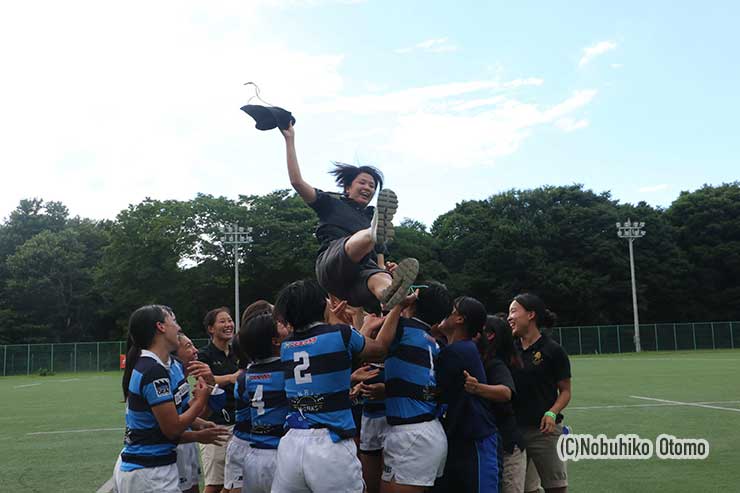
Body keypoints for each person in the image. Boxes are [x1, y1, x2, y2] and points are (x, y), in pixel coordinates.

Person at [271, 279, 410, 493]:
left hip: (291, 444)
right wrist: (398, 307)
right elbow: (380, 348)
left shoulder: (287, 346)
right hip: (330, 444)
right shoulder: (341, 334)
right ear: (320, 305)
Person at [279, 123, 419, 311]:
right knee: (358, 241)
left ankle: (388, 295)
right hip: (332, 267)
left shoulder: (371, 216)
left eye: (372, 186)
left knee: (380, 277)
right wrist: (290, 139)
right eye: (363, 182)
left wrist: (387, 273)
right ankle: (371, 234)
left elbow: (379, 261)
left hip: (356, 285)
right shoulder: (330, 202)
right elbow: (297, 181)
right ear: (347, 187)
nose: (368, 188)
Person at [114, 305, 209, 493]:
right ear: (161, 327)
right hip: (149, 472)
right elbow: (172, 428)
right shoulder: (153, 370)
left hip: (152, 469)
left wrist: (202, 424)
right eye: (173, 321)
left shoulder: (156, 365)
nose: (178, 327)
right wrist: (200, 401)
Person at [382, 282, 451, 493]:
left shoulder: (403, 328)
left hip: (411, 434)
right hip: (422, 430)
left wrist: (396, 305)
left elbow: (377, 343)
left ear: (415, 302)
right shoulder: (432, 340)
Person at [508, 294, 572, 493]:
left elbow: (566, 391)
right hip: (515, 432)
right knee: (523, 488)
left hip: (545, 432)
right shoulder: (509, 349)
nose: (509, 317)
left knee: (556, 488)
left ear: (531, 315)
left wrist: (552, 412)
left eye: (513, 311)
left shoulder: (553, 350)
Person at [435, 296, 499, 493]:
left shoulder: (456, 352)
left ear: (460, 319)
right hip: (465, 438)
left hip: (474, 439)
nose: (445, 314)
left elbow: (433, 388)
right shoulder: (458, 349)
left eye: (451, 310)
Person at [466, 315, 525, 493]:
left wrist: (476, 388)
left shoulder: (494, 364)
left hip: (507, 445)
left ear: (490, 335)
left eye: (479, 329)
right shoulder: (479, 360)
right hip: (492, 444)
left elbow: (505, 392)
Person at [239, 312, 291, 492]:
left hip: (253, 455)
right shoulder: (287, 370)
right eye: (282, 324)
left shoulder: (248, 374)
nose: (287, 325)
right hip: (279, 454)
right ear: (275, 341)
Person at [173, 333, 232, 493]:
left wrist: (211, 387)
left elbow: (193, 416)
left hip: (185, 448)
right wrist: (199, 434)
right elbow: (170, 429)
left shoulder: (181, 378)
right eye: (188, 346)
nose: (195, 350)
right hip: (166, 455)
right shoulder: (166, 377)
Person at [198, 307, 240, 493]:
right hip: (216, 424)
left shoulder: (238, 352)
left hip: (239, 424)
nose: (228, 324)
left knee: (235, 483)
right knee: (215, 484)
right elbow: (203, 383)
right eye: (222, 321)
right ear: (211, 329)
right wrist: (231, 377)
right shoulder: (204, 354)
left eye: (230, 320)